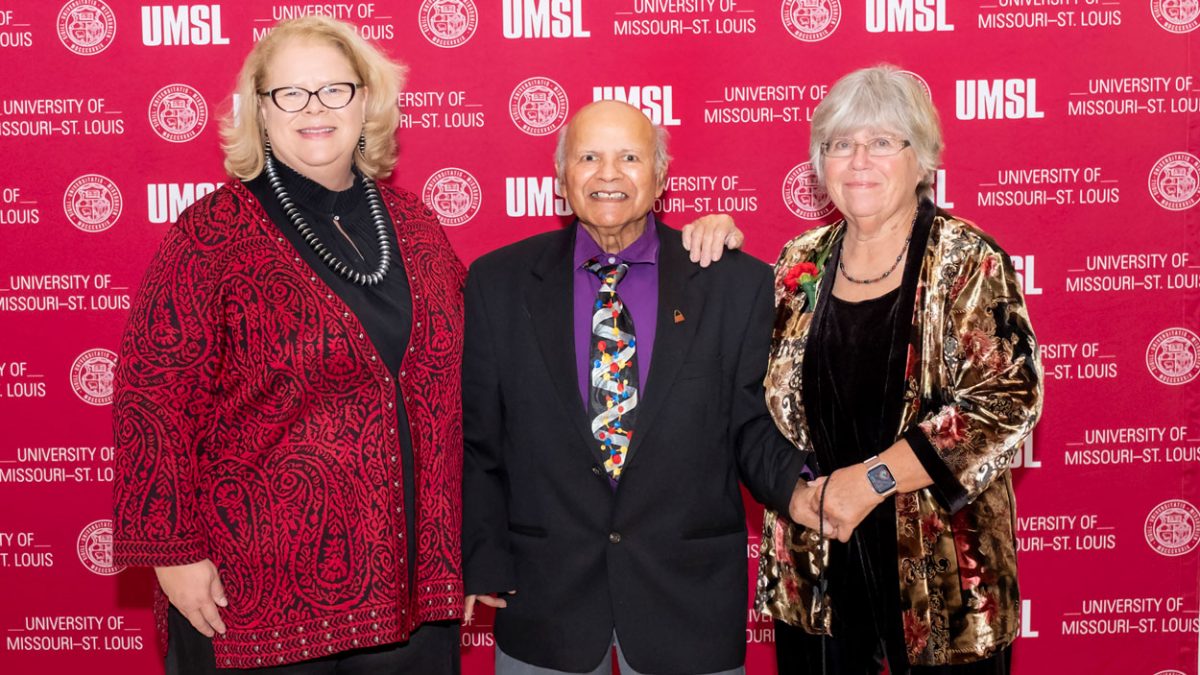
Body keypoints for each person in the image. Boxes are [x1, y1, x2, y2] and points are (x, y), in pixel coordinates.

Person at [110, 16, 466, 673]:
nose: (314, 109)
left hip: (410, 601)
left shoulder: (417, 227)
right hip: (254, 598)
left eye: (334, 89)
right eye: (289, 94)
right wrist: (173, 552)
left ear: (367, 99)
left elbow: (485, 363)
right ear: (261, 112)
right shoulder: (210, 235)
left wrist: (697, 254)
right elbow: (151, 400)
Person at [461, 100, 820, 675]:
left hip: (688, 599)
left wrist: (803, 489)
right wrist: (481, 558)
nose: (608, 174)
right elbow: (480, 441)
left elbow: (752, 424)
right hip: (543, 598)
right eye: (588, 157)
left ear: (660, 176)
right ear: (561, 178)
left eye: (629, 157)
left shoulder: (733, 283)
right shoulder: (496, 283)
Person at [756, 65, 1043, 674]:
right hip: (818, 566)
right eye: (840, 144)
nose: (859, 160)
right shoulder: (796, 263)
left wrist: (873, 480)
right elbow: (757, 399)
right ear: (820, 161)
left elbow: (1007, 401)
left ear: (923, 160)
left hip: (944, 577)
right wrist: (800, 492)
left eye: (883, 142)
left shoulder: (968, 258)